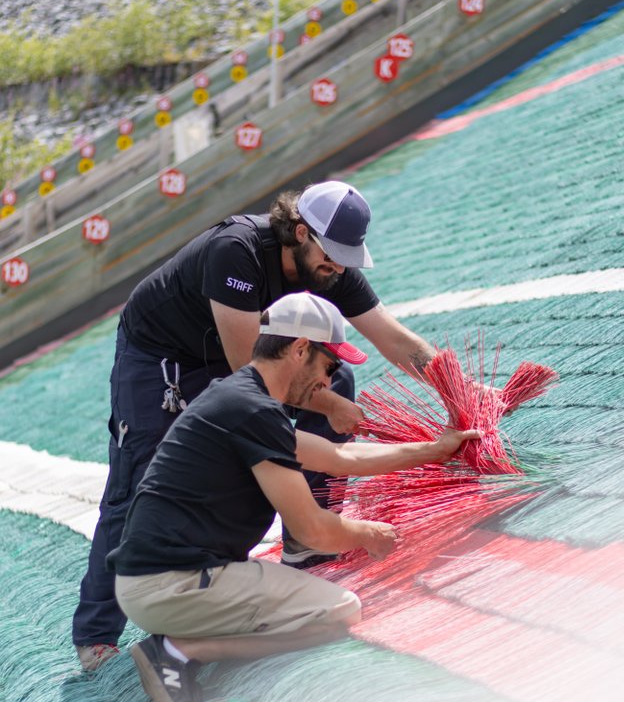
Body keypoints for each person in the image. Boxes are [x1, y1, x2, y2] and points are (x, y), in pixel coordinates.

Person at [73, 179, 450, 671]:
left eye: (347, 257)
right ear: (299, 232)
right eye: (332, 254)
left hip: (239, 355)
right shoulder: (237, 251)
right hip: (161, 357)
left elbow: (393, 339)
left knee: (338, 377)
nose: (338, 267)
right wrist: (326, 410)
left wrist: (457, 389)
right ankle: (96, 636)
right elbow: (245, 375)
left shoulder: (329, 268)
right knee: (139, 477)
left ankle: (304, 542)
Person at [108, 293, 479, 702]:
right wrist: (368, 534)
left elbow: (338, 458)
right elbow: (313, 530)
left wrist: (435, 451)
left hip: (155, 583)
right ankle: (177, 650)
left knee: (319, 607)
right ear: (301, 348)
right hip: (174, 586)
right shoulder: (252, 410)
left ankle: (179, 640)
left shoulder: (236, 398)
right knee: (339, 613)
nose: (328, 381)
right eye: (328, 366)